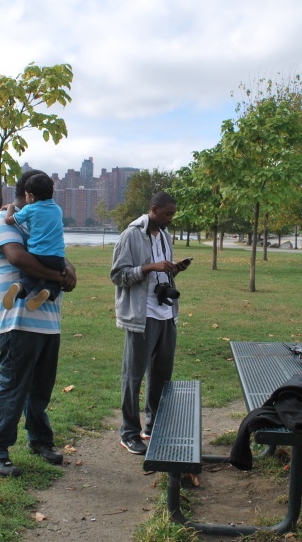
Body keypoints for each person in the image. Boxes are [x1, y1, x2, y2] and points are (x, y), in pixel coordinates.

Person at [0, 170, 77, 477]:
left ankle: (40, 440)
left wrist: (68, 269)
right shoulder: (3, 220)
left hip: (49, 322)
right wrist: (57, 276)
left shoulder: (40, 217)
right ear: (28, 195)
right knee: (13, 386)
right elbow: (18, 258)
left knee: (41, 389)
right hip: (18, 321)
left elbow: (56, 251)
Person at [110, 191, 190, 455]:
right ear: (153, 210)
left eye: (173, 214)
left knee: (161, 376)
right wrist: (149, 268)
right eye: (167, 214)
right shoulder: (131, 235)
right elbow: (117, 275)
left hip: (166, 314)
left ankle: (153, 427)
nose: (170, 219)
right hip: (141, 316)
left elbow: (161, 274)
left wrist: (173, 269)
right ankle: (129, 433)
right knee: (133, 377)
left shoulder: (165, 236)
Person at [2, 172, 66, 311]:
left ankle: (20, 286)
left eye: (26, 195)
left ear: (31, 196)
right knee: (57, 280)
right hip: (56, 256)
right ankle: (48, 291)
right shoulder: (58, 210)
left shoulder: (30, 209)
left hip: (36, 254)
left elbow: (8, 220)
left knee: (30, 276)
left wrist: (10, 208)